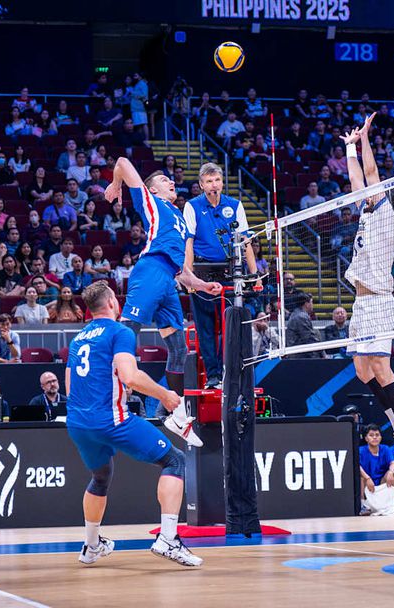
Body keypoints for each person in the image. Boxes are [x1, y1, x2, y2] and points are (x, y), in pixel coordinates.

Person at [65, 282, 202, 567]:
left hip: (78, 423)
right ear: (112, 303)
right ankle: (168, 539)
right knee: (174, 461)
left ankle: (91, 545)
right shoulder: (120, 332)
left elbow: (70, 386)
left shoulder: (78, 338)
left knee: (101, 476)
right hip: (110, 419)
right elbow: (130, 376)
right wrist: (165, 395)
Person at [104, 157, 223, 447]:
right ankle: (106, 402)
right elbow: (122, 162)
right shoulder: (151, 202)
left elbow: (182, 270)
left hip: (169, 279)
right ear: (153, 190)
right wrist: (116, 184)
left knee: (179, 348)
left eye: (170, 179)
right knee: (125, 334)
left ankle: (176, 415)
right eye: (163, 180)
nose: (171, 181)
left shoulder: (178, 217)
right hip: (151, 271)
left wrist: (202, 285)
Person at [340, 116, 394, 474]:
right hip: (361, 302)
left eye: (374, 192)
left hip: (377, 300)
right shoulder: (366, 212)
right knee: (362, 371)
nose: (367, 193)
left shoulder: (386, 213)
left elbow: (371, 174)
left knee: (380, 367)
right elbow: (356, 180)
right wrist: (349, 147)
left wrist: (366, 139)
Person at [182, 162, 260, 388]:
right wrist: (189, 276)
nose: (213, 185)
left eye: (217, 180)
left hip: (230, 271)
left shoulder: (235, 205)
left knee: (231, 325)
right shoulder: (192, 206)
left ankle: (229, 371)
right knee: (205, 327)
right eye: (209, 181)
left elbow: (245, 241)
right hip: (202, 272)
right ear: (201, 185)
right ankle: (213, 375)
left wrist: (254, 275)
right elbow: (188, 243)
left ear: (222, 182)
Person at [358, 424, 394, 513]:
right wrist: (367, 478)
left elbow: (393, 463)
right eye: (371, 435)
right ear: (366, 438)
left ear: (380, 437)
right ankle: (363, 506)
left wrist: (391, 472)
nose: (375, 437)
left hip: (382, 483)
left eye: (377, 435)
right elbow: (357, 467)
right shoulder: (360, 450)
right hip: (367, 485)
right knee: (360, 477)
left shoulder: (385, 449)